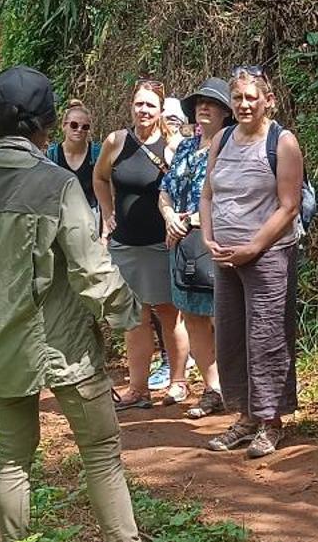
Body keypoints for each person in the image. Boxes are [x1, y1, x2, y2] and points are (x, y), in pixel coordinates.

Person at [0, 66, 182, 542]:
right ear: (46, 125)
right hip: (65, 341)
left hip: (2, 340)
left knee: (12, 458)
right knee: (100, 451)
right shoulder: (57, 185)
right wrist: (127, 313)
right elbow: (92, 271)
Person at [200, 66, 306, 459]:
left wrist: (253, 248)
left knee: (267, 338)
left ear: (268, 101)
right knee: (231, 336)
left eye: (251, 98)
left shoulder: (283, 142)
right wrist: (208, 237)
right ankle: (244, 417)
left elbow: (288, 206)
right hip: (225, 256)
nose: (244, 105)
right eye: (238, 98)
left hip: (268, 255)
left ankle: (271, 421)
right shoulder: (223, 139)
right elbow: (208, 193)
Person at [94, 79, 189, 408]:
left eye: (150, 104)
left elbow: (188, 188)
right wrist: (107, 213)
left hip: (160, 244)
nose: (144, 110)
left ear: (161, 109)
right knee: (134, 319)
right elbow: (100, 177)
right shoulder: (115, 141)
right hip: (125, 245)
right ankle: (138, 390)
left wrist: (178, 221)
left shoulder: (174, 145)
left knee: (168, 313)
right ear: (131, 106)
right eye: (139, 104)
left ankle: (178, 382)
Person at [162, 77, 233, 419]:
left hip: (216, 241)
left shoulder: (232, 146)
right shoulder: (187, 147)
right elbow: (165, 189)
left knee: (225, 316)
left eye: (213, 103)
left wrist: (192, 222)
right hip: (182, 244)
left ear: (225, 112)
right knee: (192, 315)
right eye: (199, 102)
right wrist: (168, 216)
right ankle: (213, 387)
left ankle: (237, 386)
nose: (204, 107)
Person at [46, 99, 101, 215]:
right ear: (64, 126)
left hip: (89, 214)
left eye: (85, 127)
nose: (79, 130)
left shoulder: (96, 153)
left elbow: (104, 186)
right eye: (74, 125)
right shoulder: (52, 155)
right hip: (60, 214)